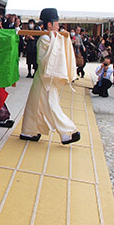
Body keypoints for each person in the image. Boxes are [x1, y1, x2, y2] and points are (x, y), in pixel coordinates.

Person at [19, 8, 80, 145]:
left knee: (36, 105)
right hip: (44, 78)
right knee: (50, 105)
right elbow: (43, 60)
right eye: (56, 24)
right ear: (49, 25)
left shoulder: (53, 37)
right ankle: (66, 133)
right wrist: (58, 39)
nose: (58, 27)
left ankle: (29, 132)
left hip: (45, 79)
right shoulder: (46, 39)